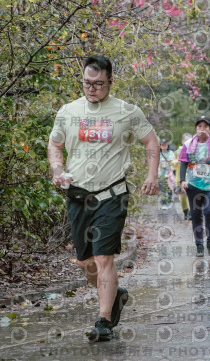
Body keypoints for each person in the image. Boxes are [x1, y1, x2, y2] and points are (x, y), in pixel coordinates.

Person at [47, 55, 159, 342]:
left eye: (98, 84)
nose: (92, 88)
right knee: (86, 263)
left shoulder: (127, 112)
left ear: (110, 81)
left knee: (103, 257)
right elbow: (55, 144)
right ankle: (115, 294)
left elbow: (150, 141)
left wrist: (152, 175)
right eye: (87, 83)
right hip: (78, 196)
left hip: (112, 195)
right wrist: (57, 170)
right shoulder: (68, 111)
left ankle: (104, 320)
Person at [179, 116, 210, 256]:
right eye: (199, 126)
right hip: (193, 184)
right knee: (196, 215)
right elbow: (183, 163)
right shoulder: (188, 144)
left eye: (205, 126)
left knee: (209, 211)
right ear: (196, 129)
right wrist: (182, 180)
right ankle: (199, 245)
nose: (202, 129)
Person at [173, 133, 192, 220]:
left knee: (191, 195)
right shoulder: (178, 151)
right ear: (182, 141)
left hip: (191, 178)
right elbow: (171, 161)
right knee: (182, 197)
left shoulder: (194, 150)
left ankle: (191, 213)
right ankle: (185, 212)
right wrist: (177, 161)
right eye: (186, 140)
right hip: (180, 177)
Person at [158, 138, 176, 209]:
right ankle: (164, 203)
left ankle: (169, 200)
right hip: (161, 173)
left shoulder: (171, 153)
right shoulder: (158, 154)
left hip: (170, 173)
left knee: (170, 189)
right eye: (162, 145)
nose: (163, 146)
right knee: (163, 189)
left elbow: (173, 162)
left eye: (165, 145)